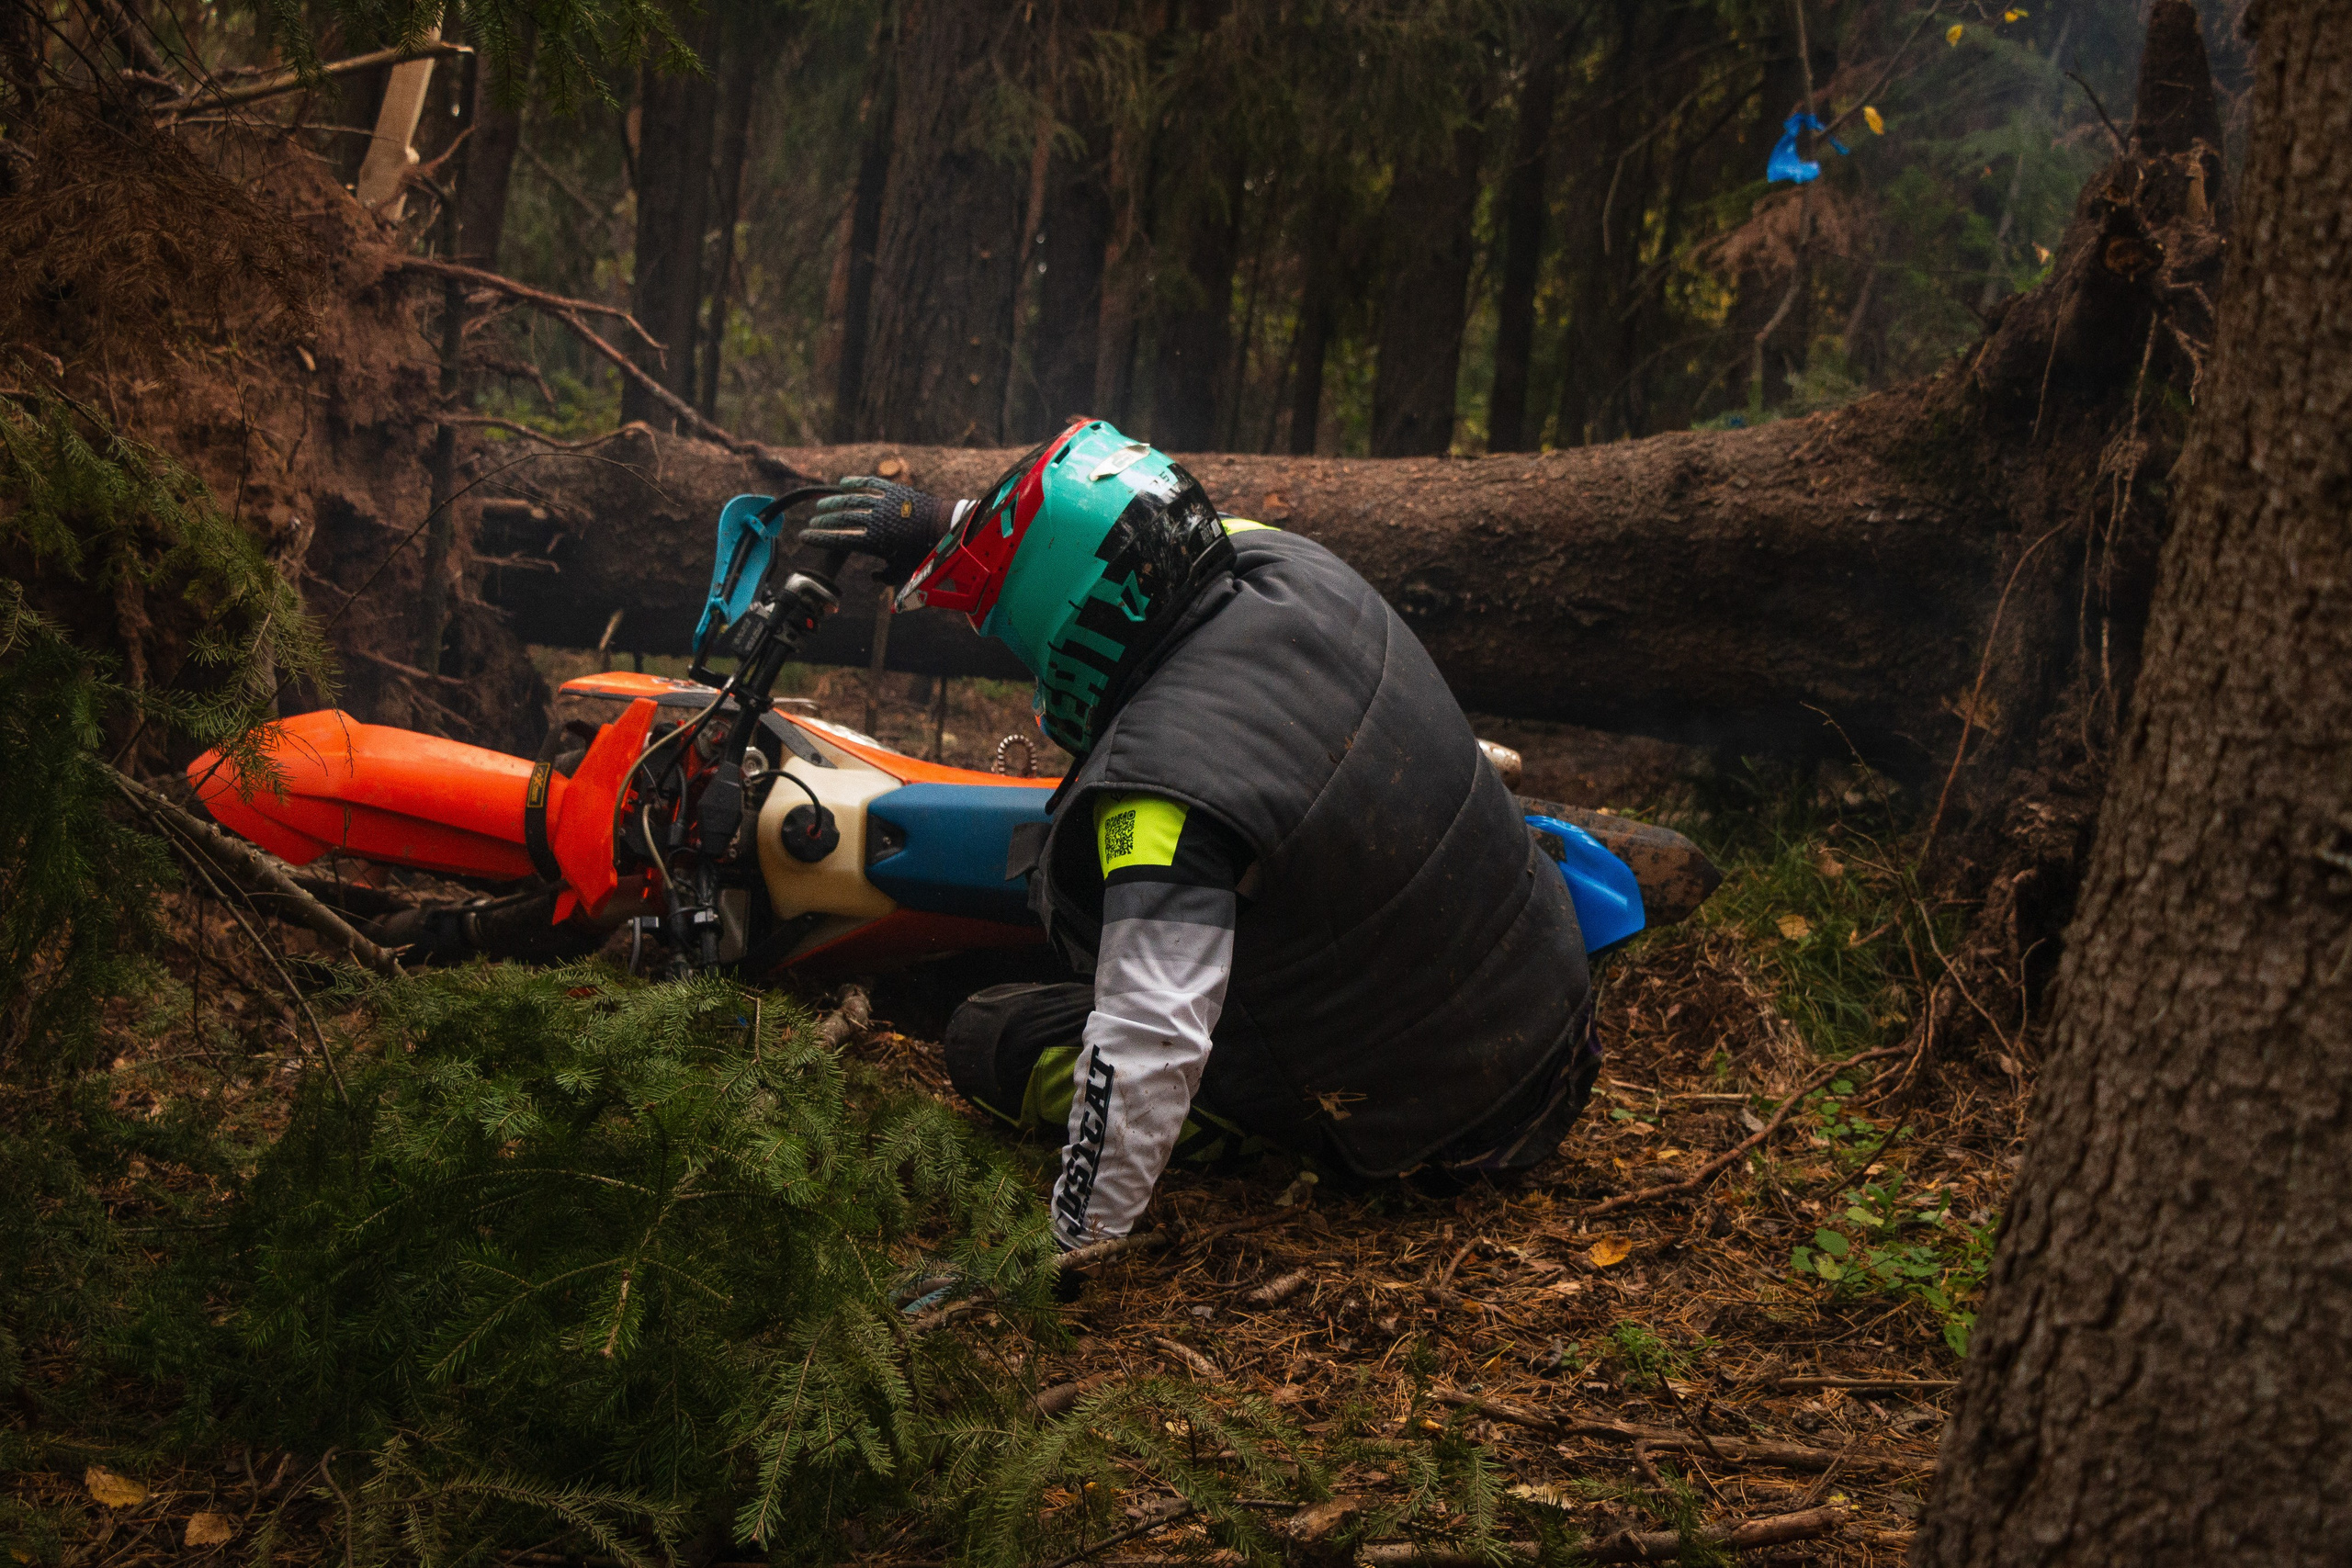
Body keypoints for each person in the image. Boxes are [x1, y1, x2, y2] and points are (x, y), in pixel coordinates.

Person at [800, 422, 1596, 1251]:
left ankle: (1246, 1134)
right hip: (1552, 1018)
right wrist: (948, 524)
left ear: (1069, 623)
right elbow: (1113, 531)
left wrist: (1075, 1238)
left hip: (1440, 1129)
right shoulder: (1287, 562)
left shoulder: (1162, 787)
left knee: (992, 1038)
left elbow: (1152, 1037)